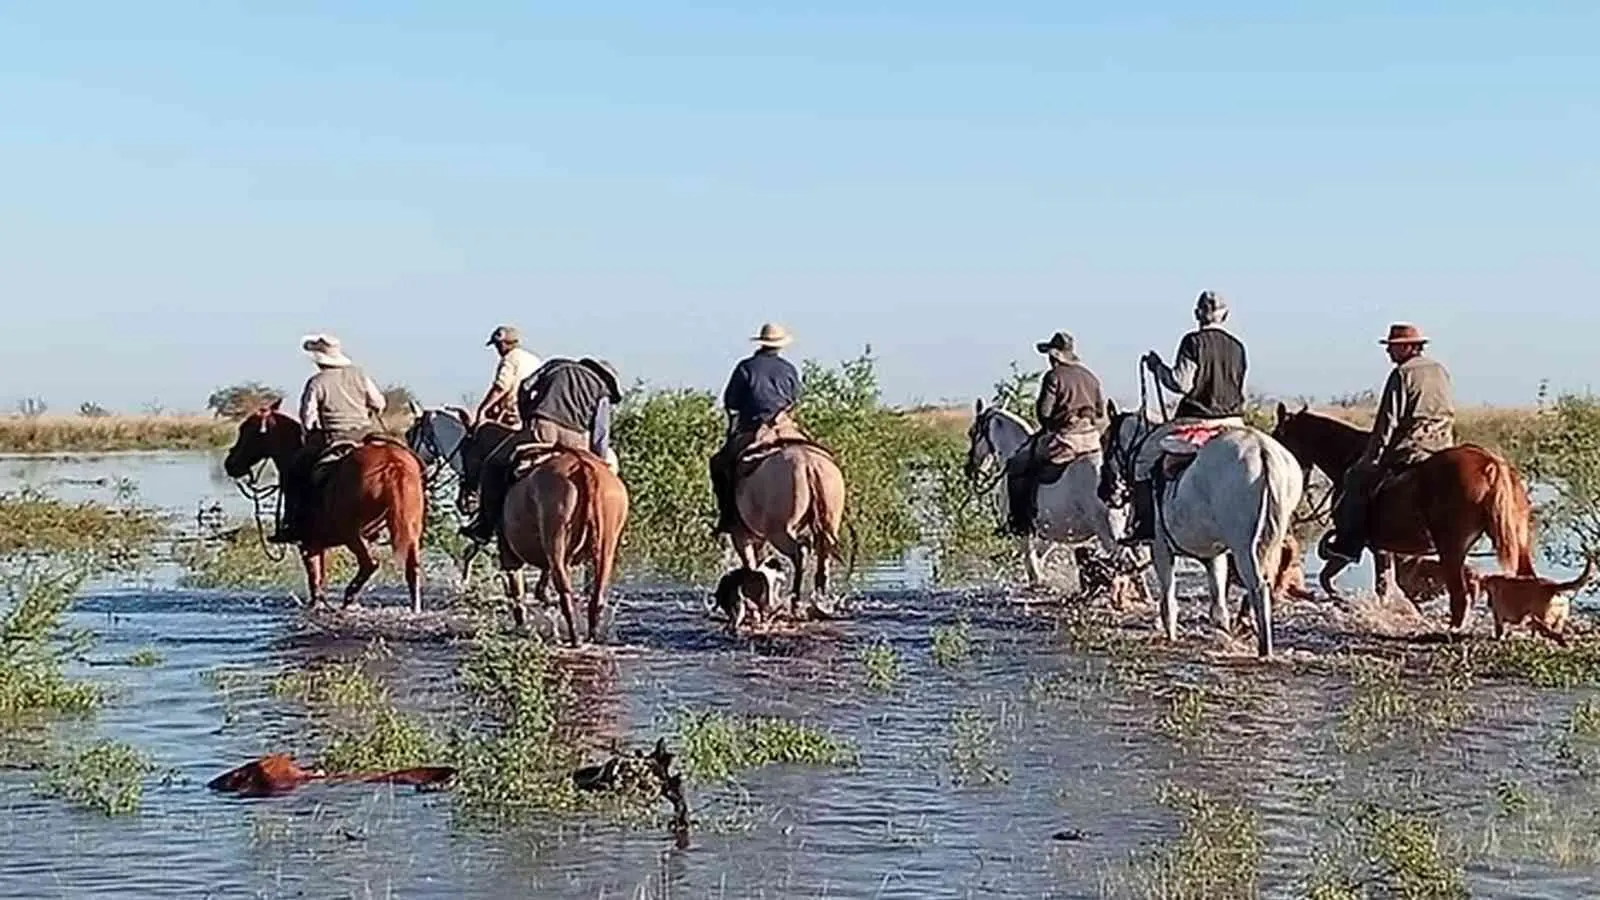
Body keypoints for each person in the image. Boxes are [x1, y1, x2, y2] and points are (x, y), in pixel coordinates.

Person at [1320, 322, 1454, 563]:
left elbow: (1388, 421)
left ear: (1409, 348)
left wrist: (1371, 457)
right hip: (1443, 445)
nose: (1389, 352)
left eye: (1394, 347)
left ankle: (1348, 545)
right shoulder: (1440, 370)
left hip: (1412, 448)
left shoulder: (1402, 374)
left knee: (1355, 480)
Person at [1123, 290, 1248, 545]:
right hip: (1235, 422)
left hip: (1198, 420)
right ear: (1226, 315)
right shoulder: (1238, 347)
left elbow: (1181, 384)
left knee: (1142, 460)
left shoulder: (1193, 342)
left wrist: (1158, 368)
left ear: (1197, 314)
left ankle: (1145, 526)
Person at [461, 357, 621, 543]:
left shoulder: (557, 365)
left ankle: (484, 527)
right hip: (576, 440)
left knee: (493, 464)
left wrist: (527, 415)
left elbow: (525, 387)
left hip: (543, 430)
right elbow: (601, 432)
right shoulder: (602, 391)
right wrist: (598, 462)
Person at [270, 334, 387, 544]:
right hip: (366, 434)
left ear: (318, 360)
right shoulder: (360, 375)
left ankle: (294, 525)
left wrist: (309, 434)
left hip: (335, 437)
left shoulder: (317, 382)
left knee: (295, 473)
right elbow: (379, 403)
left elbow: (308, 417)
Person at [1000, 331, 1107, 536]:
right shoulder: (1090, 377)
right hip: (1093, 441)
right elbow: (1101, 413)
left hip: (1066, 439)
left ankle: (1019, 522)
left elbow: (1044, 413)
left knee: (1017, 464)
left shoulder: (1054, 377)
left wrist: (1052, 425)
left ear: (1054, 356)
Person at [709, 323, 803, 537]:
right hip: (785, 425)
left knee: (719, 464)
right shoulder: (789, 369)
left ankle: (728, 517)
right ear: (779, 346)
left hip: (753, 427)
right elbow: (795, 399)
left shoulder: (745, 367)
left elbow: (731, 402)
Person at [473, 325, 542, 428]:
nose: (497, 350)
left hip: (514, 416)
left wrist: (483, 410)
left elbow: (501, 387)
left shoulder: (509, 358)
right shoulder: (534, 359)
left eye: (497, 346)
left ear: (503, 344)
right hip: (533, 416)